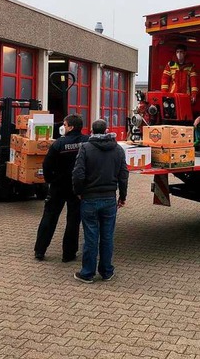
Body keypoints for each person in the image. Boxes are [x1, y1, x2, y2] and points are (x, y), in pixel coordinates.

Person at [72, 119, 129, 283]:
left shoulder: (85, 148)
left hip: (89, 198)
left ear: (91, 131)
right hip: (110, 199)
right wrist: (122, 196)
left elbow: (78, 174)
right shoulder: (118, 149)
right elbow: (123, 175)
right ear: (106, 131)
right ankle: (106, 271)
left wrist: (79, 192)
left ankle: (87, 273)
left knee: (91, 236)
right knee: (107, 236)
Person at [34, 114, 89, 262]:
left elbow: (47, 165)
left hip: (58, 187)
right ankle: (68, 254)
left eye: (64, 124)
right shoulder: (87, 142)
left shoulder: (59, 144)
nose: (62, 127)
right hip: (77, 188)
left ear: (71, 127)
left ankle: (40, 250)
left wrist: (50, 180)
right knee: (73, 220)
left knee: (49, 217)